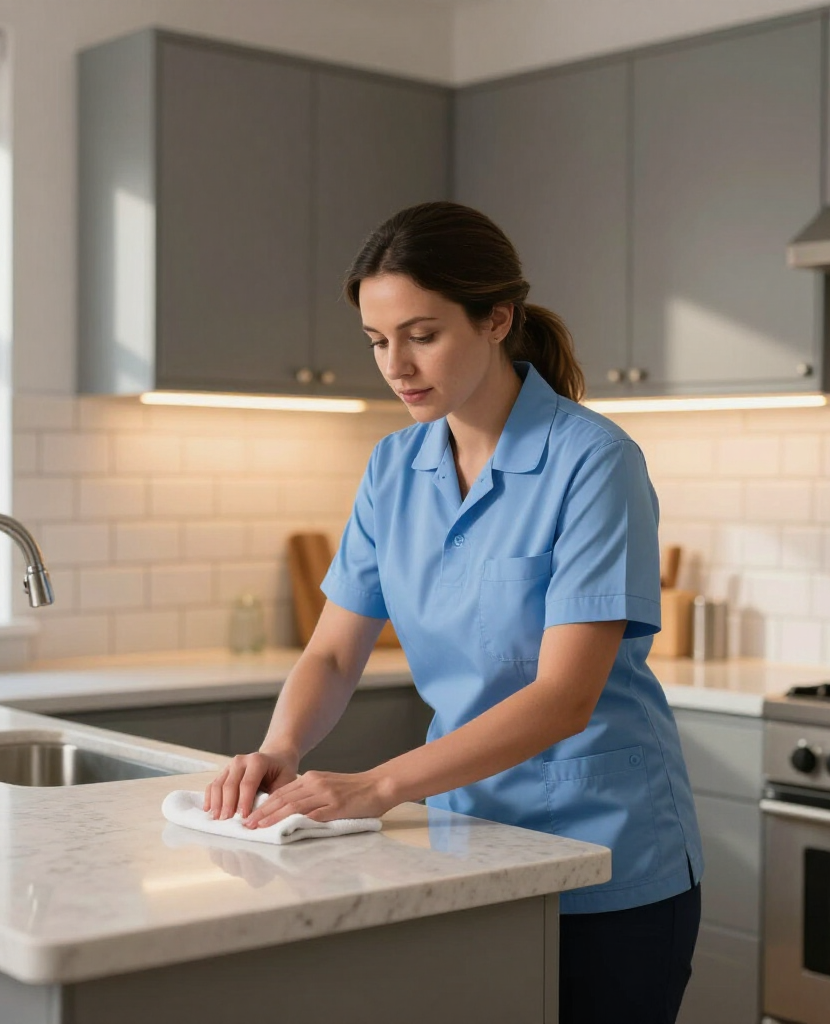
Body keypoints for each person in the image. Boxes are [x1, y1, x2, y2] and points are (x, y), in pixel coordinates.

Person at [204, 200, 703, 1023]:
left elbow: (563, 697)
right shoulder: (394, 467)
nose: (395, 364)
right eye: (376, 341)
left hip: (606, 855)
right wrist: (279, 748)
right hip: (468, 844)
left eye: (422, 334)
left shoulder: (593, 461)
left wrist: (378, 786)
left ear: (497, 319)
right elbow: (333, 652)